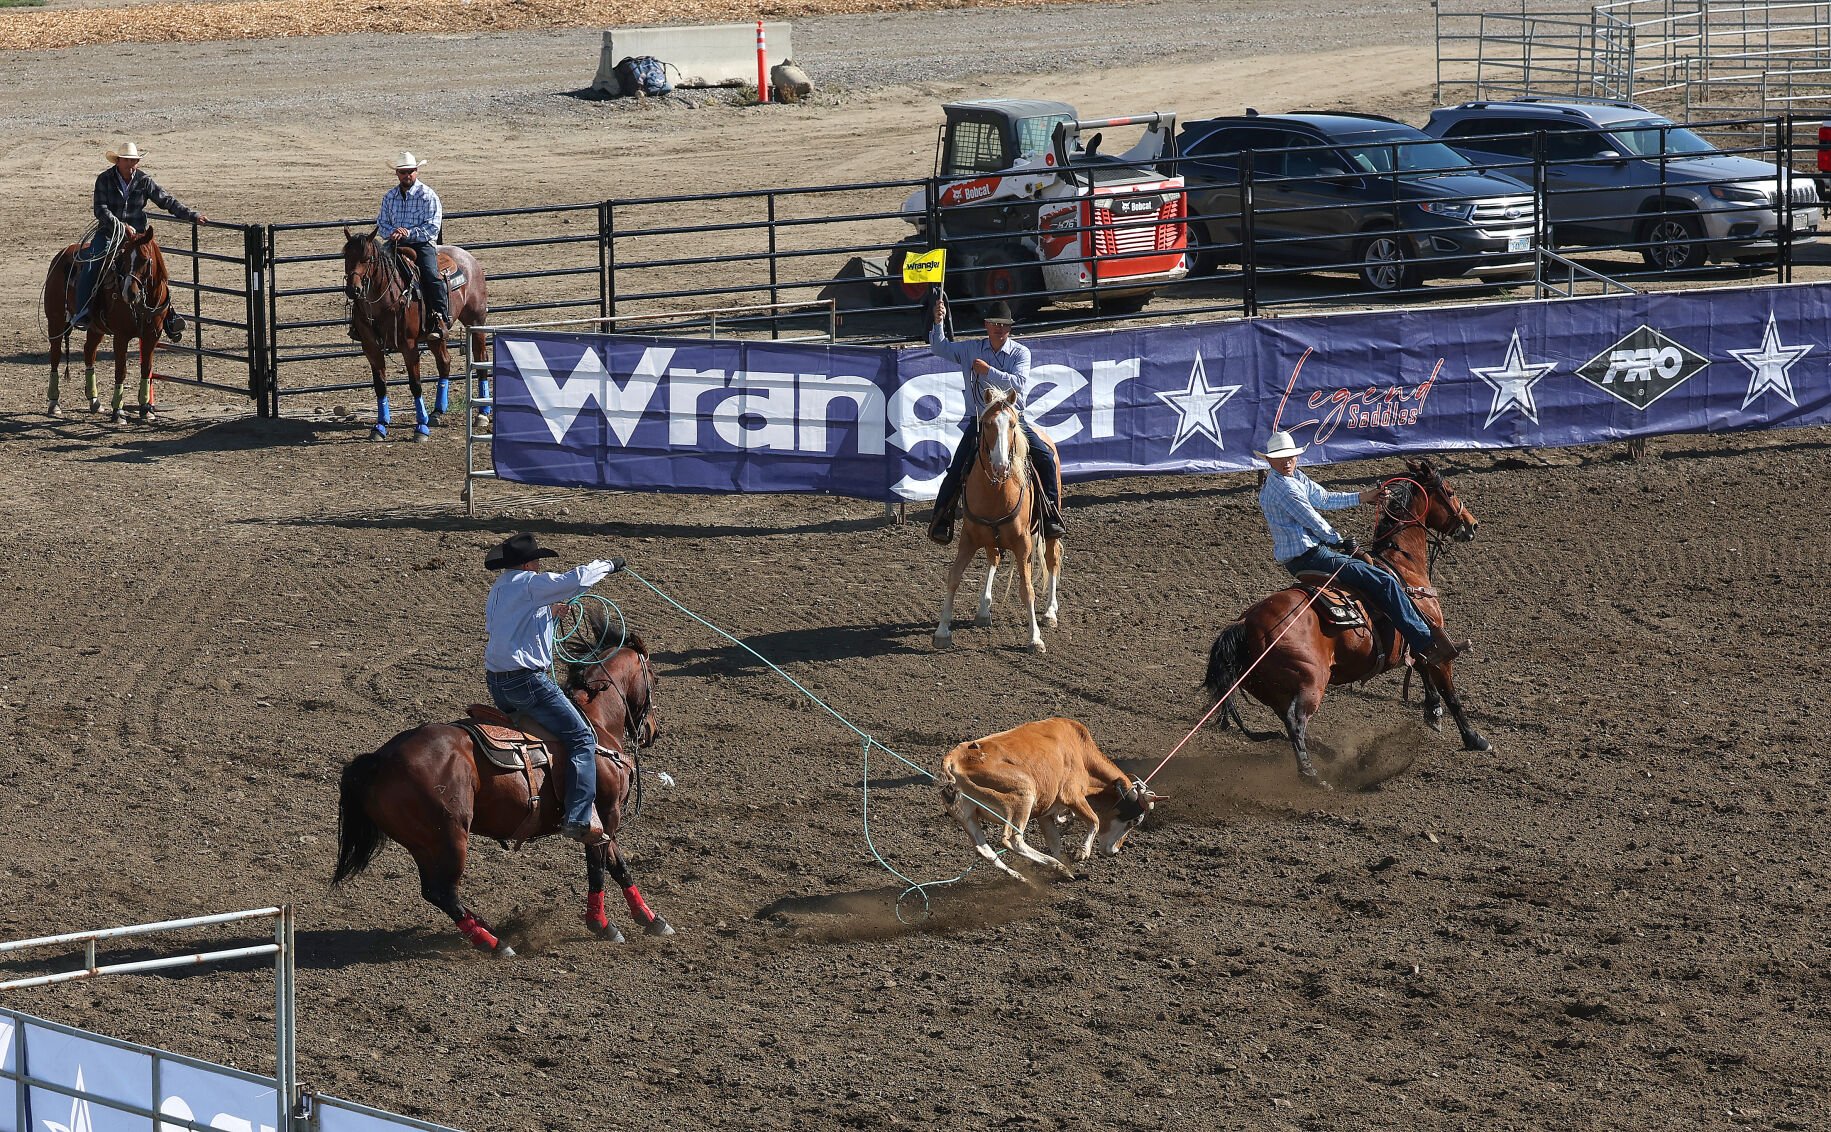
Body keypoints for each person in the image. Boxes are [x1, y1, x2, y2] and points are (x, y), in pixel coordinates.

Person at [1256, 430, 1469, 667]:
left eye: (1291, 457)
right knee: (1384, 581)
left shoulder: (1292, 477)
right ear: (1269, 460)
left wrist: (1365, 496)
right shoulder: (1285, 489)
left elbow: (1324, 498)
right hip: (1312, 557)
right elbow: (1313, 520)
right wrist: (1340, 541)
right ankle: (1426, 643)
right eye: (1281, 458)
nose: (1287, 462)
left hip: (1306, 555)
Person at [482, 533, 625, 845]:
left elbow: (507, 628)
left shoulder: (500, 589)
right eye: (537, 560)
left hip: (498, 683)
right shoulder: (532, 583)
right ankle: (577, 815)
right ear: (529, 563)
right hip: (527, 682)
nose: (539, 565)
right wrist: (610, 565)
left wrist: (548, 613)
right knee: (582, 737)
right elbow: (577, 579)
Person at [924, 295, 1064, 545]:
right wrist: (938, 322)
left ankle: (1050, 512)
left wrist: (989, 372)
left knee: (1044, 457)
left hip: (1013, 420)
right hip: (980, 420)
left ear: (1010, 328)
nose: (1000, 329)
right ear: (986, 325)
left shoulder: (1021, 352)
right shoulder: (970, 349)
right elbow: (939, 347)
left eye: (1004, 325)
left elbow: (1020, 384)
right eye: (995, 324)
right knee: (957, 468)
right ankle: (942, 517)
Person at [74, 141, 208, 333]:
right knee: (93, 261)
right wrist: (120, 225)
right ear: (118, 161)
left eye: (134, 161)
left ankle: (168, 314)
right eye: (127, 161)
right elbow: (100, 209)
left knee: (155, 267)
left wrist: (192, 215)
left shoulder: (144, 181)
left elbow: (166, 200)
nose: (131, 165)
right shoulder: (104, 179)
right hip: (109, 233)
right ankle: (82, 311)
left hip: (138, 236)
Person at [376, 151, 449, 339]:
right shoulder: (389, 197)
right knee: (372, 270)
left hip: (421, 244)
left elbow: (433, 227)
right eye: (403, 172)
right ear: (397, 174)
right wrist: (391, 233)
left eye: (410, 171)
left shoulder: (428, 195)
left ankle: (440, 317)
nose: (407, 175)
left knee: (432, 275)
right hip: (394, 243)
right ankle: (366, 320)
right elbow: (381, 223)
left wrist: (408, 232)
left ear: (416, 172)